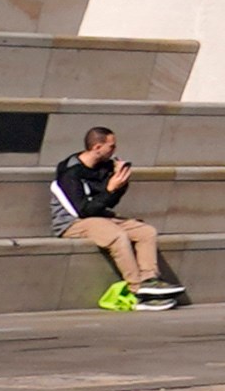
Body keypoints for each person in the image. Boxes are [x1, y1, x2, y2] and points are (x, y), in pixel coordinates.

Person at [49, 120, 186, 310]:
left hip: (100, 216)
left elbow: (109, 202)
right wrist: (110, 189)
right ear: (97, 147)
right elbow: (83, 211)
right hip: (73, 222)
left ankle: (150, 280)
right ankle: (136, 289)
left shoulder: (105, 167)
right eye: (111, 146)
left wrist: (119, 185)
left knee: (146, 232)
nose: (114, 150)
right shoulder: (70, 172)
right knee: (117, 236)